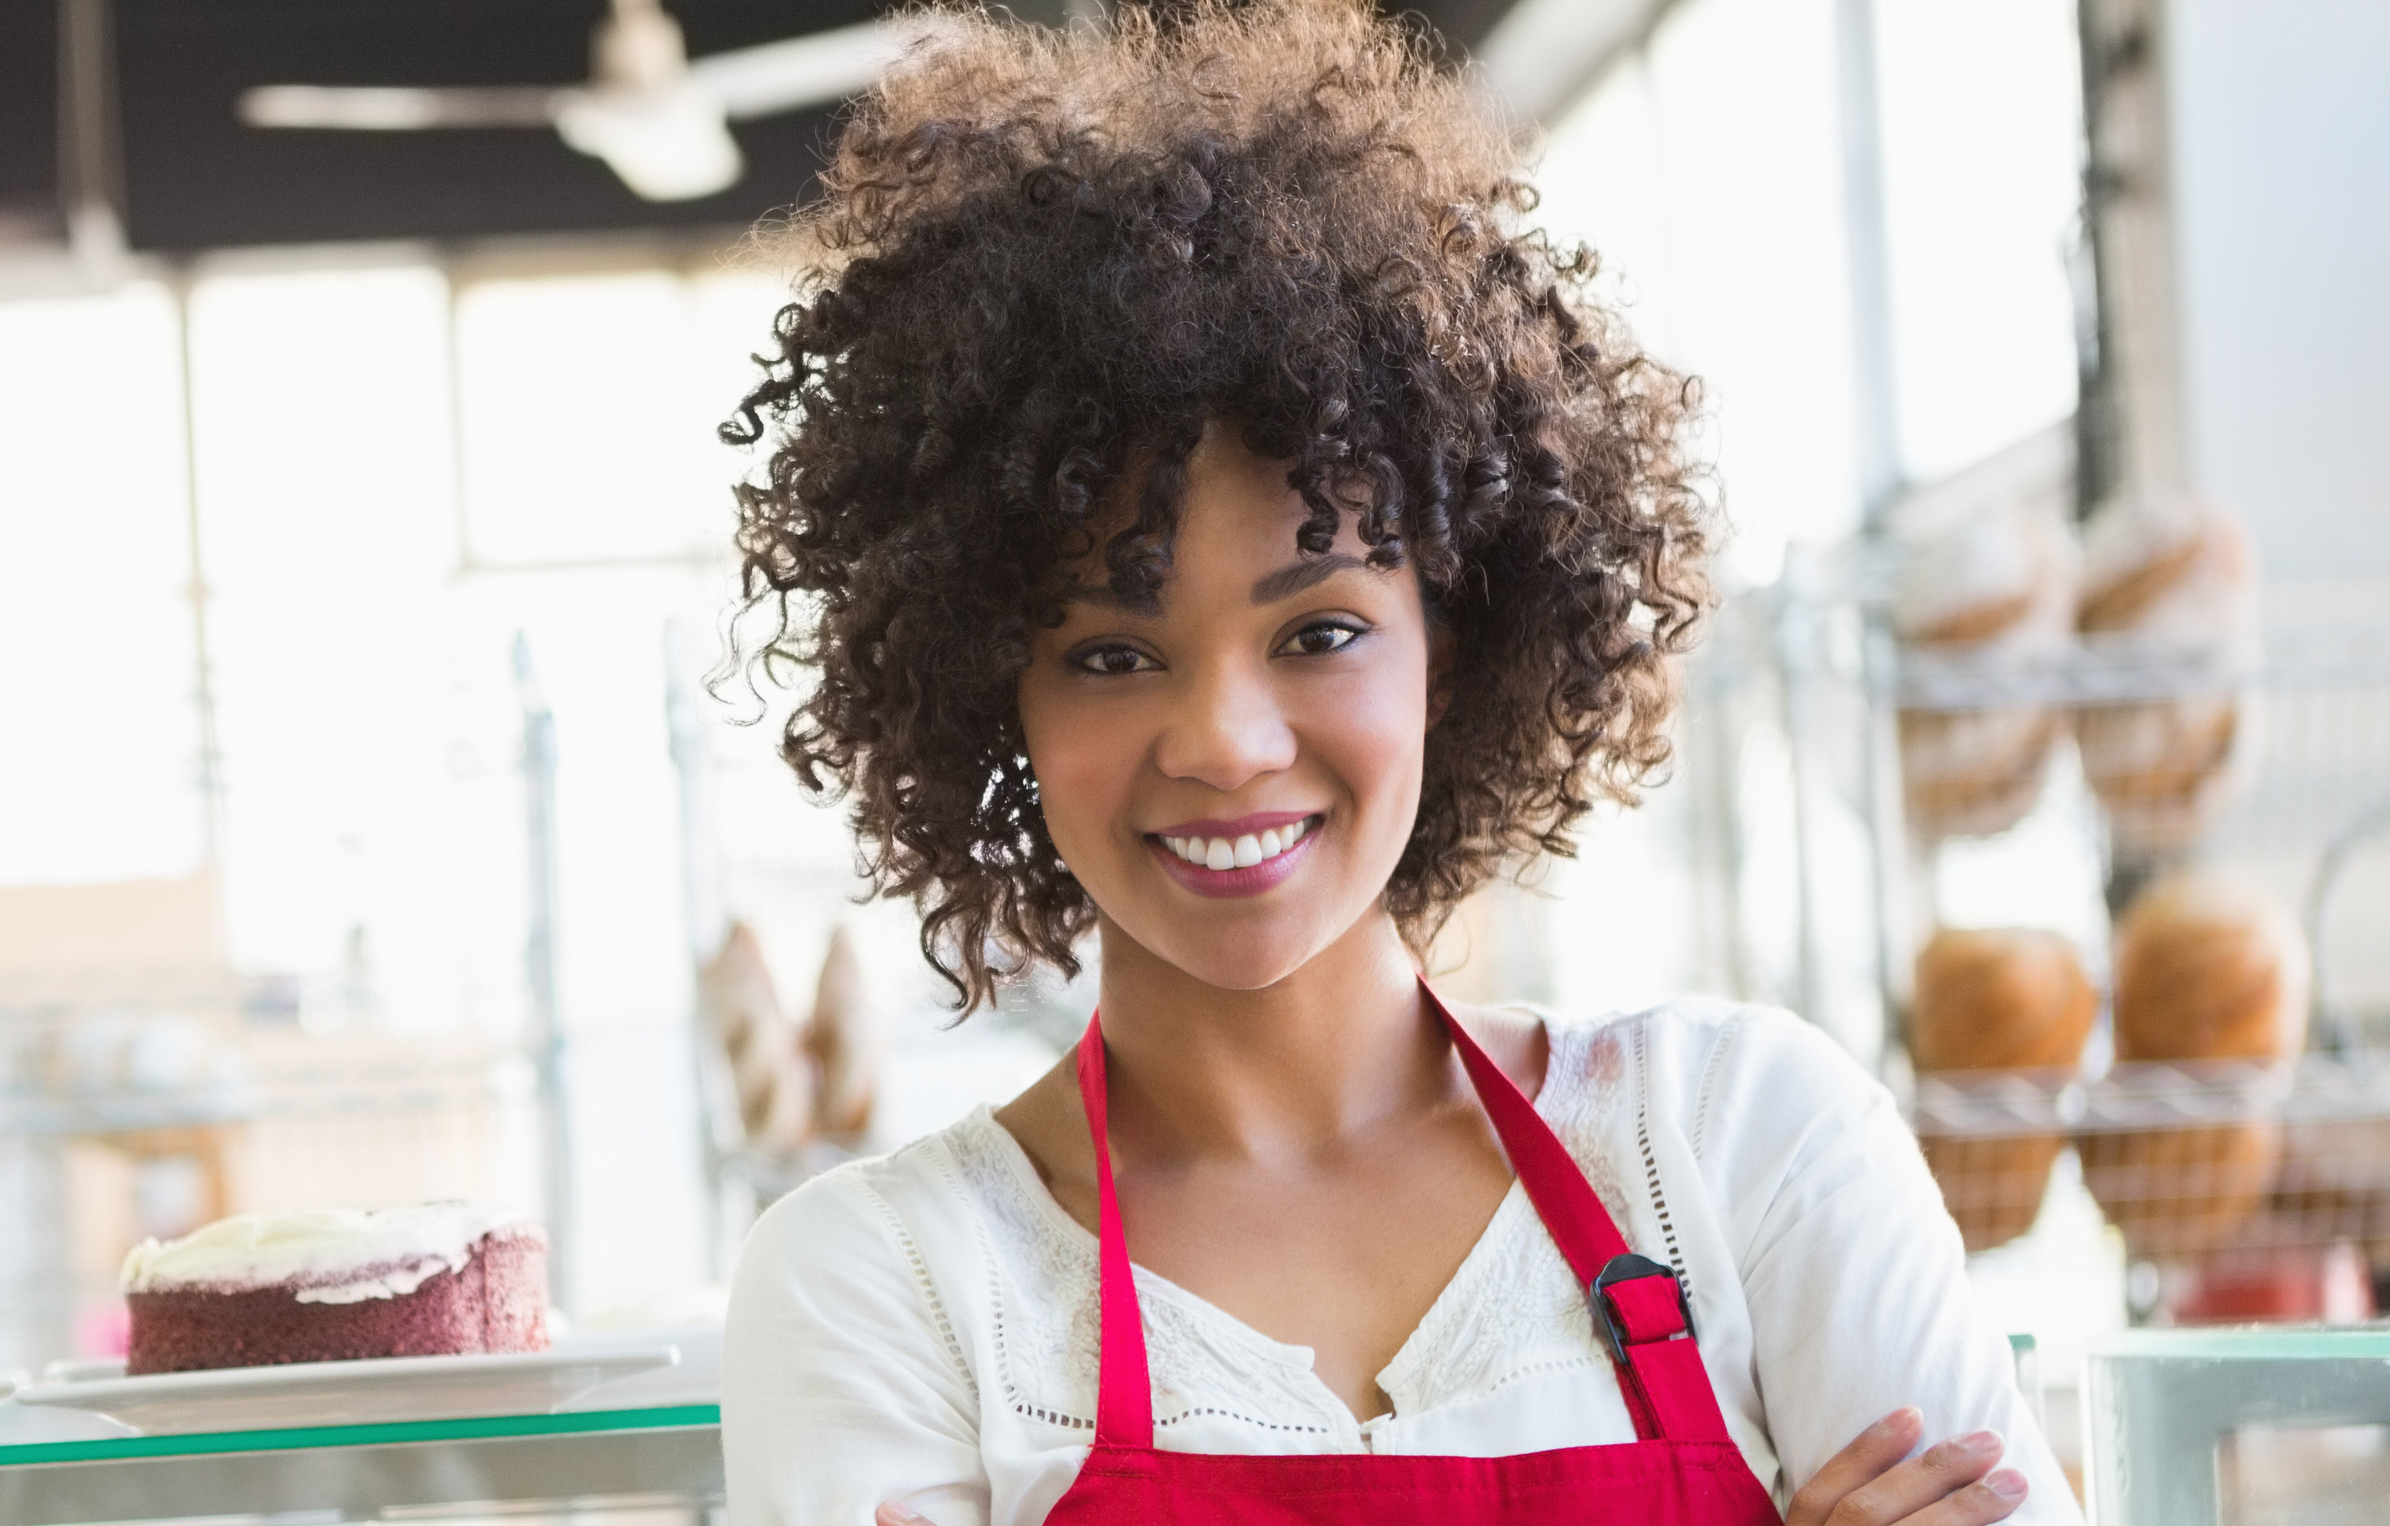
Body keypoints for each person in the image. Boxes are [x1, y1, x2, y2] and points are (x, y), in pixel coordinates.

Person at [718, 3, 2076, 1522]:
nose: (1225, 739)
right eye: (1110, 652)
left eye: (1319, 632)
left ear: (1462, 639)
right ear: (992, 697)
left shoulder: (1744, 1142)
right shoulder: (888, 1287)